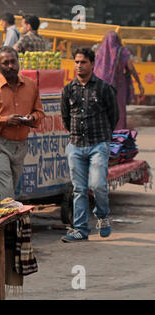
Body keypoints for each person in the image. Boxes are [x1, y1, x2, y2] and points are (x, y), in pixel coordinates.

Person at [60, 48, 119, 242]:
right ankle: (81, 229)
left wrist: (105, 138)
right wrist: (74, 135)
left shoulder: (103, 88)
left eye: (83, 62)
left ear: (92, 64)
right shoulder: (69, 89)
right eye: (76, 62)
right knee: (79, 189)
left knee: (98, 185)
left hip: (98, 144)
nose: (79, 65)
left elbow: (114, 115)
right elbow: (66, 118)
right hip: (76, 145)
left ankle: (102, 216)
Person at [0, 46, 45, 199]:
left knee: (8, 187)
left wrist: (32, 119)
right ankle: (5, 219)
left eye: (13, 62)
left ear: (18, 62)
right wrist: (5, 121)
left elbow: (39, 112)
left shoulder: (31, 85)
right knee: (6, 190)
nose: (10, 66)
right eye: (5, 63)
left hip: (20, 146)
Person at [94, 31, 145, 130]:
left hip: (101, 86)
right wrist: (139, 83)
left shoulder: (99, 52)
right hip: (118, 86)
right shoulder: (122, 51)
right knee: (119, 111)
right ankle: (118, 137)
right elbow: (130, 68)